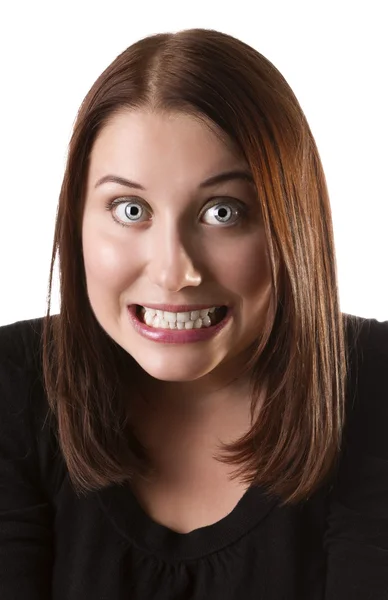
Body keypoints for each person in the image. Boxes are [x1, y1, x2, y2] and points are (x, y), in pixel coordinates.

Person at [0, 28, 387, 600]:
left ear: (292, 227)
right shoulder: (11, 385)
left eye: (223, 211)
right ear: (76, 222)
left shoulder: (377, 383)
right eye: (130, 209)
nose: (173, 271)